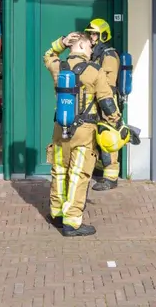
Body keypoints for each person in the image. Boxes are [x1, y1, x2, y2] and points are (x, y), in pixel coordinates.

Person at [44, 32, 121, 237]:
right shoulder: (95, 71)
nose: (90, 51)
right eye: (88, 47)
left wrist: (60, 42)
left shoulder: (58, 67)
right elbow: (107, 101)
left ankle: (57, 213)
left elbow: (48, 54)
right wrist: (117, 122)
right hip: (84, 132)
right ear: (81, 47)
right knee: (79, 175)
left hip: (60, 129)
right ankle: (72, 222)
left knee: (60, 171)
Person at [83, 18, 122, 191]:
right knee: (95, 135)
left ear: (103, 35)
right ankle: (99, 168)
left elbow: (108, 84)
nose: (91, 37)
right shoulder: (96, 54)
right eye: (90, 33)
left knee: (108, 138)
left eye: (95, 34)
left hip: (107, 100)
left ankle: (111, 178)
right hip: (96, 100)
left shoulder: (109, 55)